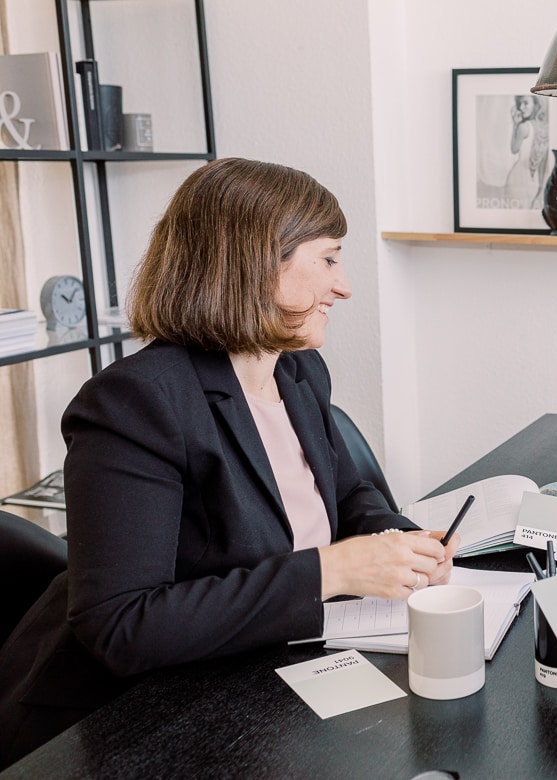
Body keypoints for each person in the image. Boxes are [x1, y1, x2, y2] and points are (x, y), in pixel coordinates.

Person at [0, 158, 457, 767]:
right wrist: (331, 571)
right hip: (128, 721)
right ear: (253, 262)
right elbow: (121, 626)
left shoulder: (295, 368)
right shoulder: (137, 402)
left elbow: (348, 496)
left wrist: (398, 540)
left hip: (258, 669)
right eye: (327, 258)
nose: (343, 285)